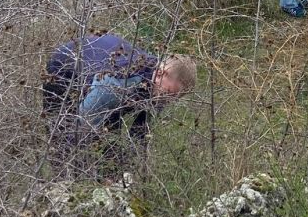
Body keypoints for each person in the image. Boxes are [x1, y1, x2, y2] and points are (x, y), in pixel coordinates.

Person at [42, 33, 196, 168]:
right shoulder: (116, 85)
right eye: (169, 93)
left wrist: (133, 169)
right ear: (160, 73)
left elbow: (139, 133)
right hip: (64, 66)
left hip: (102, 64)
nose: (168, 101)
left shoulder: (159, 87)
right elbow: (79, 127)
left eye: (174, 97)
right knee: (65, 134)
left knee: (112, 140)